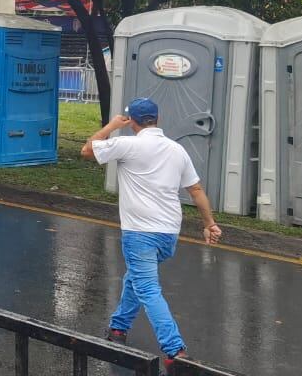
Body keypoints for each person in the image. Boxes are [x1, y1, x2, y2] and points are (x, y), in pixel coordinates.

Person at [81, 98, 222, 373]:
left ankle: (174, 351)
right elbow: (195, 190)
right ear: (157, 119)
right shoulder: (176, 149)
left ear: (132, 121)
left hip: (140, 233)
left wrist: (110, 125)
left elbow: (87, 150)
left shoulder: (127, 144)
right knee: (135, 278)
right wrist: (209, 224)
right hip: (168, 233)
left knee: (147, 288)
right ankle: (117, 329)